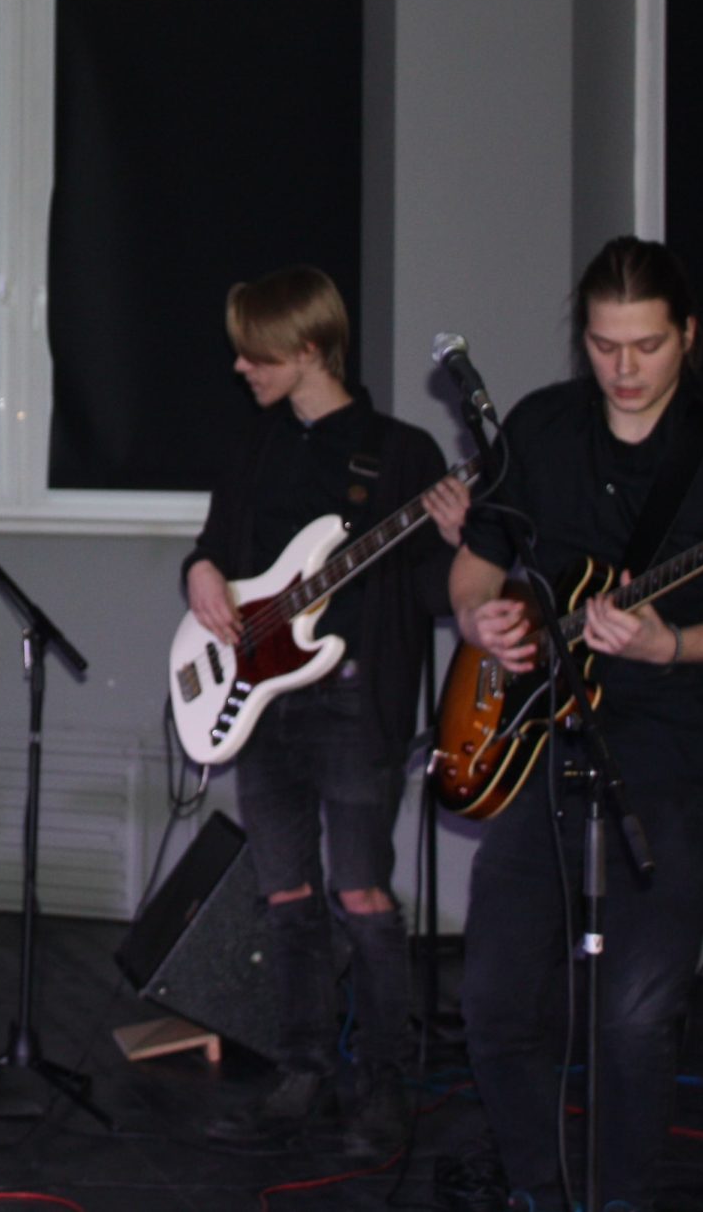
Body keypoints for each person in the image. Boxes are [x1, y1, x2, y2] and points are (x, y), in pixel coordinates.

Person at [451, 238, 703, 1212]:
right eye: (605, 346)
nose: (625, 368)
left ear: (687, 336)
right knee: (493, 1001)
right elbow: (475, 565)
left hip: (670, 763)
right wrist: (480, 619)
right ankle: (535, 1188)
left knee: (635, 1017)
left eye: (647, 346)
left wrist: (669, 644)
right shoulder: (540, 428)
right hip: (537, 751)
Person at [184, 267, 470, 1159]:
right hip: (261, 702)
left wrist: (459, 541)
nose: (241, 367)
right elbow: (216, 549)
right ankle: (301, 1069)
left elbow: (435, 595)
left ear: (309, 347)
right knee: (286, 895)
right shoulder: (254, 447)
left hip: (354, 701)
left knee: (361, 894)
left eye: (257, 353)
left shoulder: (402, 453)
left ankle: (381, 1084)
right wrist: (198, 572)